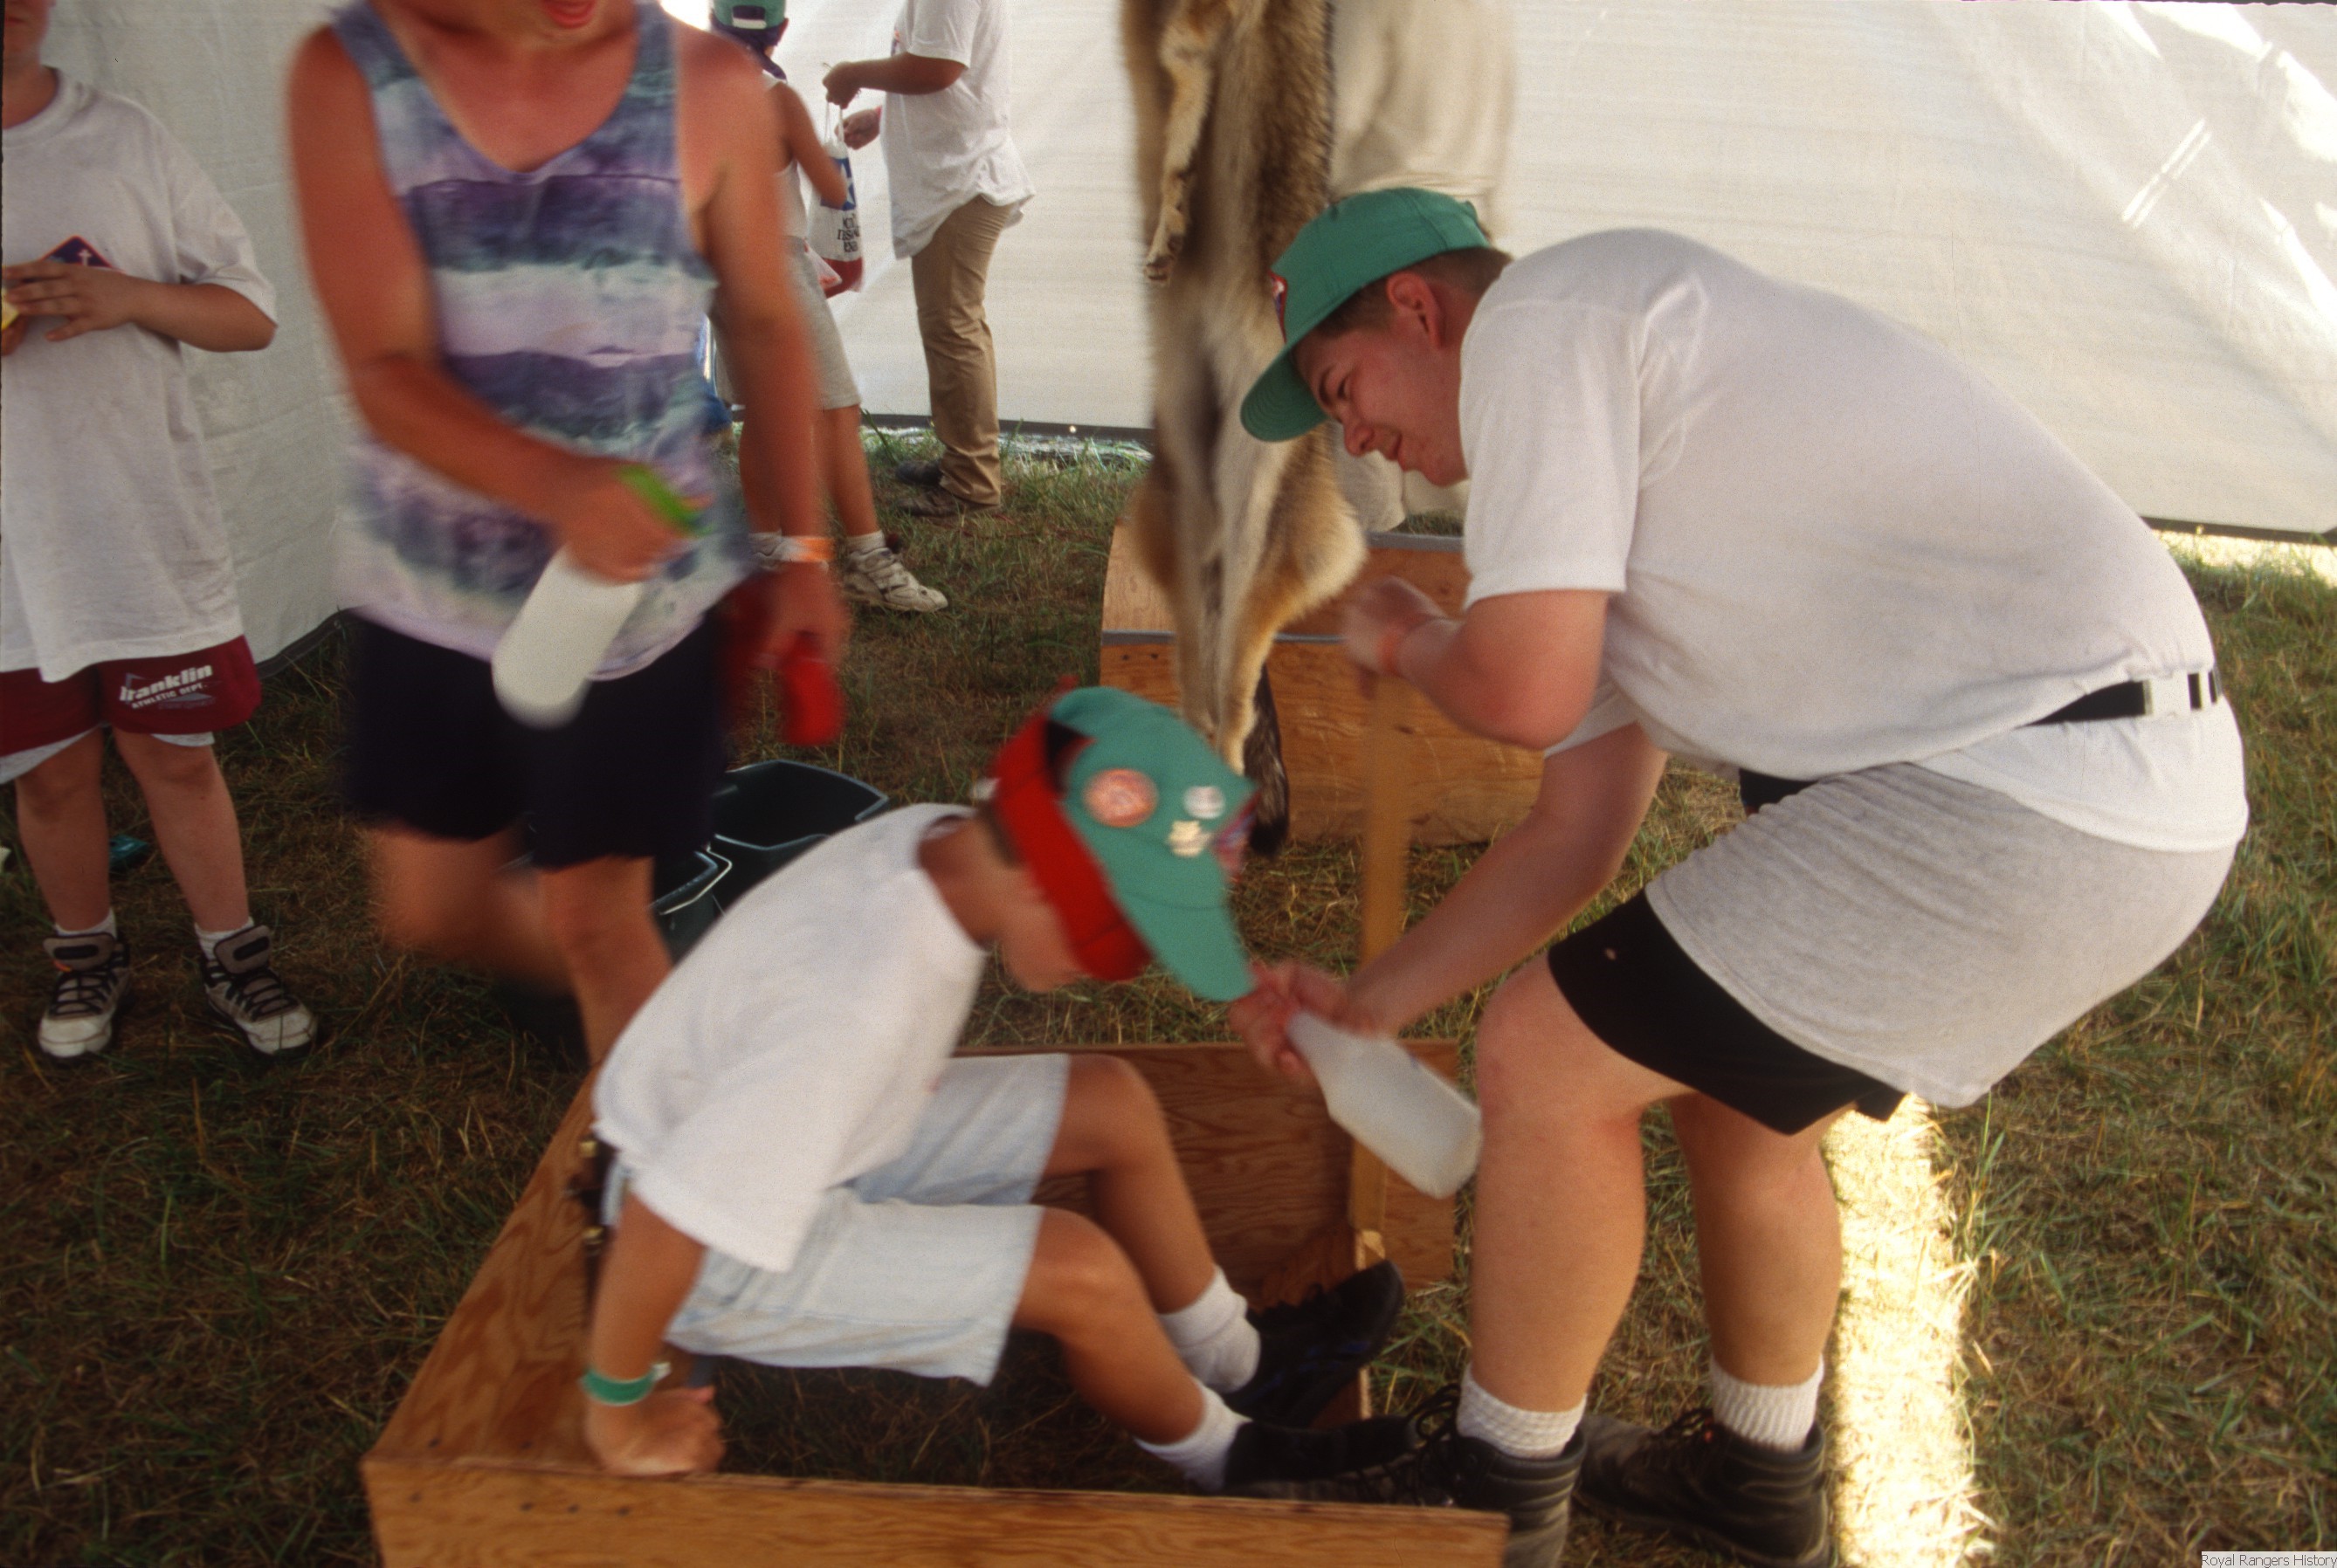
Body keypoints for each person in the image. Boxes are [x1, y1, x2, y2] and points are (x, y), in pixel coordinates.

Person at [1228, 189, 2247, 1567]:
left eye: (1344, 390)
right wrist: (1370, 1004)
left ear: (1420, 310)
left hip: (2041, 780)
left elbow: (1521, 693)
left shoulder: (1546, 319)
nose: (1354, 439)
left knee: (1543, 1052)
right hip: (2111, 788)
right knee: (1739, 1101)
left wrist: (1408, 641)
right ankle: (1760, 1481)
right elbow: (1572, 833)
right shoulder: (1586, 458)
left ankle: (1495, 1501)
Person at [580, 686, 1414, 1494]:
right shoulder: (855, 1004)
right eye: (1119, 941)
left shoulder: (949, 844)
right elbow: (666, 1216)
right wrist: (618, 1415)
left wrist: (1238, 987)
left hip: (790, 1140)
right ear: (1045, 886)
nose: (1121, 971)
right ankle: (1236, 1460)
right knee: (1079, 1269)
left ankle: (1247, 1367)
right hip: (706, 1252)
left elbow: (1083, 849)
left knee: (1111, 1101)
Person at [287, 0, 848, 1063]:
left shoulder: (710, 84)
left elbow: (764, 320)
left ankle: (661, 1126)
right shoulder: (352, 72)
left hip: (636, 597)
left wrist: (806, 554)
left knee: (601, 919)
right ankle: (706, 998)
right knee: (431, 910)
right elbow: (383, 366)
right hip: (434, 584)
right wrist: (558, 485)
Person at [3, 0, 316, 1061]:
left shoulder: (121, 137)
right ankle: (85, 957)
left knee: (173, 757)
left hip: (138, 524)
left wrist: (129, 295)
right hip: (10, 555)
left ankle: (233, 953)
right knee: (48, 772)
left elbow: (251, 314)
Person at [707, 0, 946, 614]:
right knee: (837, 406)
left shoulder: (685, 94)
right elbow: (832, 188)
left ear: (712, 21)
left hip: (717, 273)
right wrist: (830, 150)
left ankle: (764, 553)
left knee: (761, 412)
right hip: (776, 266)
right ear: (781, 31)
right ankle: (868, 560)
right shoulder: (777, 98)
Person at [824, 0, 1032, 519]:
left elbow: (938, 69)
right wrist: (885, 116)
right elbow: (956, 74)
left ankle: (972, 482)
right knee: (956, 326)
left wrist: (853, 73)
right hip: (958, 177)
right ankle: (964, 460)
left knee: (952, 328)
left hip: (960, 181)